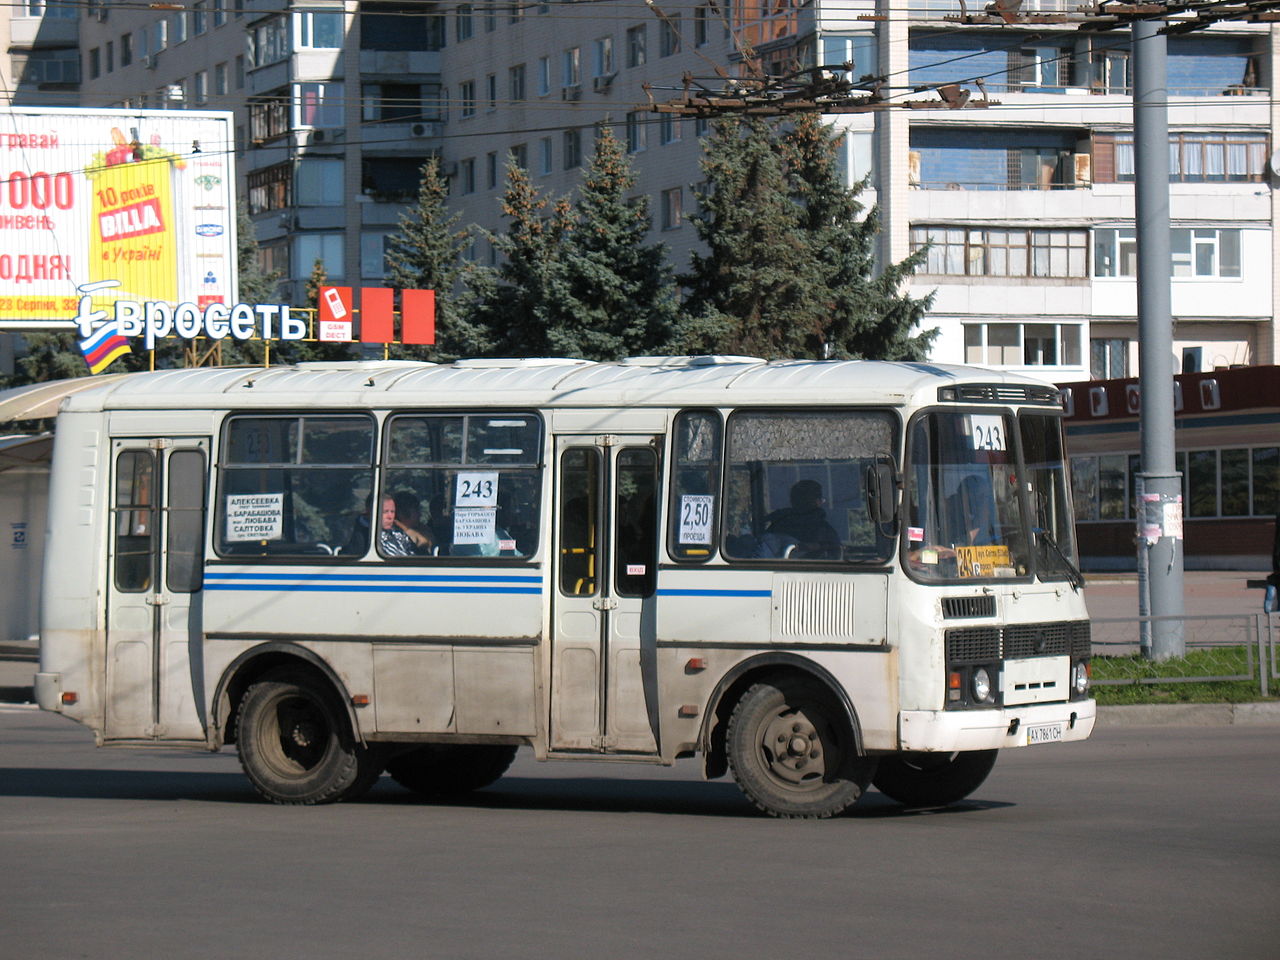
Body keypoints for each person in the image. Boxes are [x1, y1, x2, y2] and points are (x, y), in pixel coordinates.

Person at [764, 479, 840, 559]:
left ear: (792, 501)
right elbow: (836, 555)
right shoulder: (824, 530)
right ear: (817, 502)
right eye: (821, 499)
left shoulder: (776, 524)